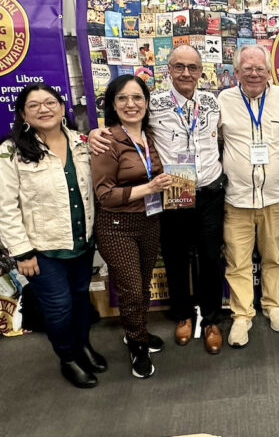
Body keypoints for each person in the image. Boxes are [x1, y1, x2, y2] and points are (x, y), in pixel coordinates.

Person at [90, 45, 226, 355]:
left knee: (209, 257)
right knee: (176, 258)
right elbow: (125, 122)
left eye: (192, 67)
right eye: (179, 66)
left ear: (201, 70)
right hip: (174, 192)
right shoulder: (154, 104)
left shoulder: (213, 102)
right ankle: (183, 315)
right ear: (168, 69)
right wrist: (94, 134)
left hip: (209, 193)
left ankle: (211, 320)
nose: (186, 73)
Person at [0, 84, 106, 388]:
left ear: (62, 107)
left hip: (81, 242)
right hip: (41, 250)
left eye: (50, 102)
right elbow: (5, 207)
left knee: (79, 299)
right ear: (23, 114)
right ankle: (68, 357)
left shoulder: (81, 142)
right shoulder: (11, 151)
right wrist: (21, 252)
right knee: (59, 306)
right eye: (34, 105)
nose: (43, 109)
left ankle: (83, 345)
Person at [218, 44, 279, 348]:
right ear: (236, 72)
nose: (254, 74)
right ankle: (242, 316)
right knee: (237, 261)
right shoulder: (223, 100)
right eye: (247, 69)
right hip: (236, 200)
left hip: (275, 198)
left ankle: (273, 305)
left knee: (274, 256)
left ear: (269, 72)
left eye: (259, 68)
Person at [91, 75, 172, 378]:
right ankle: (137, 344)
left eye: (137, 97)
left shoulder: (150, 136)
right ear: (113, 104)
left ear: (146, 102)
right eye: (123, 98)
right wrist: (149, 187)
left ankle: (135, 331)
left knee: (142, 283)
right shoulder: (107, 140)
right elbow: (105, 194)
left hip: (149, 221)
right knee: (131, 290)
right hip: (116, 225)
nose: (131, 104)